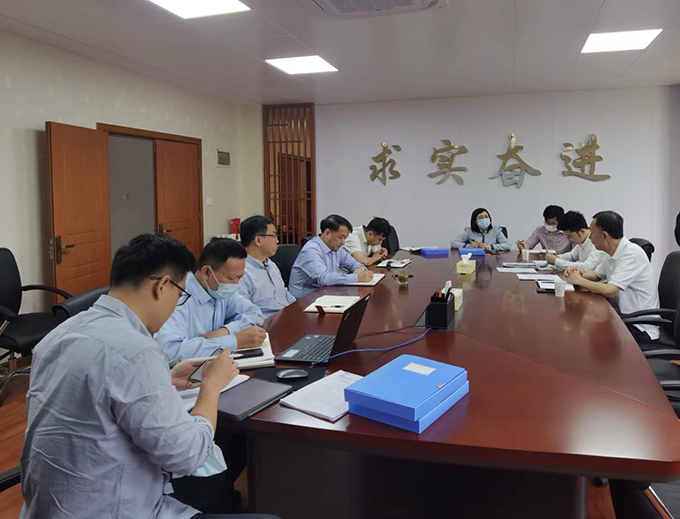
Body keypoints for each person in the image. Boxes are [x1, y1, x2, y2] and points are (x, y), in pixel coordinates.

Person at [19, 234, 275, 519]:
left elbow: (96, 400)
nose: (177, 303)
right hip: (114, 509)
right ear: (162, 285)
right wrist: (211, 386)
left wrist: (166, 378)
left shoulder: (58, 335)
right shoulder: (136, 350)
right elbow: (189, 456)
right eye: (180, 294)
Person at [156, 238, 265, 367]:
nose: (236, 284)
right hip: (186, 374)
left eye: (239, 278)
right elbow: (170, 352)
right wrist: (234, 341)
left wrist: (225, 331)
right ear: (207, 273)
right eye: (231, 278)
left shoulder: (219, 290)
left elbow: (255, 313)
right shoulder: (179, 296)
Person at [565, 211, 660, 343]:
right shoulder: (611, 252)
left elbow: (610, 290)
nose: (590, 237)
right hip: (623, 319)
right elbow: (596, 275)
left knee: (585, 335)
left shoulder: (631, 254)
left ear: (604, 235)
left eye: (592, 233)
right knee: (582, 325)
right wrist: (576, 274)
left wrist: (579, 280)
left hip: (640, 327)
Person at [289, 214, 373, 299]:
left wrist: (358, 269)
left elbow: (353, 263)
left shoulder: (336, 248)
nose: (343, 242)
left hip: (325, 293)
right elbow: (324, 278)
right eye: (341, 237)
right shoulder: (311, 250)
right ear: (327, 233)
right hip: (304, 300)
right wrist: (357, 277)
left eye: (345, 238)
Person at [239, 215, 296, 318]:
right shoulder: (241, 272)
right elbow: (246, 313)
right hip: (267, 323)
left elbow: (284, 293)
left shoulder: (270, 264)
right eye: (273, 235)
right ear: (258, 240)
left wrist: (298, 309)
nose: (277, 241)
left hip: (286, 317)